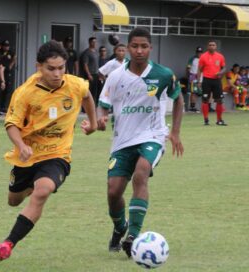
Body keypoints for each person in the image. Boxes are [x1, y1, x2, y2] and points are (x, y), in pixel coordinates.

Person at [0, 40, 97, 261]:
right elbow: (11, 124)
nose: (58, 73)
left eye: (61, 68)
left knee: (42, 192)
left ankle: (8, 242)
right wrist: (21, 146)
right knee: (14, 201)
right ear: (38, 66)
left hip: (57, 155)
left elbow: (87, 96)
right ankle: (31, 183)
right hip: (27, 155)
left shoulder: (74, 84)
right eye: (51, 68)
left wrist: (93, 123)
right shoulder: (25, 93)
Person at [96, 27, 184, 258]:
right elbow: (102, 104)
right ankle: (119, 227)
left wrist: (174, 132)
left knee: (141, 173)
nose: (139, 50)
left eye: (144, 46)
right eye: (134, 46)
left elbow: (178, 98)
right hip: (122, 140)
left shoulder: (163, 74)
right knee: (114, 192)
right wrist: (100, 118)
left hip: (152, 135)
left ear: (150, 48)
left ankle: (133, 236)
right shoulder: (116, 76)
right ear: (127, 47)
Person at [197, 40, 227, 126]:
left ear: (216, 47)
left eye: (213, 45)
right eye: (210, 45)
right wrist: (199, 81)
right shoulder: (203, 56)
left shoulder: (220, 56)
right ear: (207, 46)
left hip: (217, 80)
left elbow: (224, 68)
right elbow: (199, 69)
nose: (212, 46)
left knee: (219, 100)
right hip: (206, 80)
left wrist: (221, 72)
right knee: (205, 100)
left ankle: (219, 120)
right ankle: (206, 120)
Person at [0, 40, 17, 113]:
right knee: (1, 90)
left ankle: (4, 107)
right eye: (5, 46)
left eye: (8, 46)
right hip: (0, 72)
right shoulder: (0, 52)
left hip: (7, 72)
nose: (7, 47)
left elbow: (15, 57)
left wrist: (11, 66)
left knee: (7, 90)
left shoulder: (11, 52)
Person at [80, 37, 99, 105]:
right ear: (89, 43)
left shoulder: (96, 52)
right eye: (93, 42)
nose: (94, 43)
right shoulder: (87, 52)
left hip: (96, 74)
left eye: (95, 42)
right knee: (88, 91)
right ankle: (85, 108)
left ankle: (93, 105)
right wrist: (89, 74)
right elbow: (85, 64)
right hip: (90, 75)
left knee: (94, 91)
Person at [185, 46, 203, 112]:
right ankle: (192, 107)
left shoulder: (203, 59)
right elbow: (188, 68)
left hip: (201, 77)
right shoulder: (192, 59)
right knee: (193, 92)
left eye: (200, 52)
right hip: (193, 77)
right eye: (198, 52)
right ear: (196, 52)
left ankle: (204, 107)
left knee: (199, 92)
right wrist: (188, 76)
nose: (199, 53)